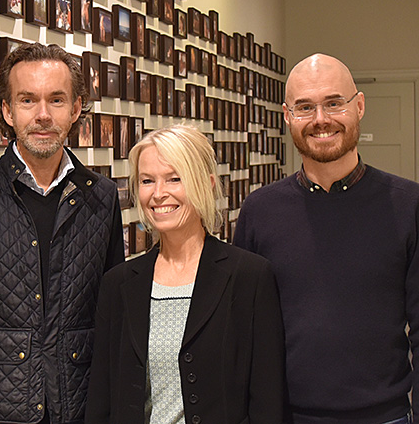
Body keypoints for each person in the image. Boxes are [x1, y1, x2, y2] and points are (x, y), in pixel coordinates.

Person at [233, 53, 419, 423]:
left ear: (359, 106)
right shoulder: (259, 211)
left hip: (385, 417)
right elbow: (241, 333)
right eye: (305, 107)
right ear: (287, 116)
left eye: (334, 103)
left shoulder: (411, 206)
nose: (321, 120)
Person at [0, 43, 124, 424]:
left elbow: (112, 319)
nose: (43, 115)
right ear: (7, 110)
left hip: (80, 408)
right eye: (27, 100)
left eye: (56, 100)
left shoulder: (101, 197)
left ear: (76, 108)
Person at [86, 124, 284, 424]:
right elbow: (102, 401)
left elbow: (268, 403)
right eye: (147, 180)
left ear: (206, 184)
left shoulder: (250, 276)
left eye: (174, 179)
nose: (158, 194)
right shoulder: (119, 284)